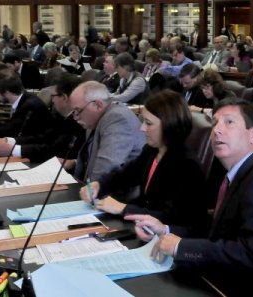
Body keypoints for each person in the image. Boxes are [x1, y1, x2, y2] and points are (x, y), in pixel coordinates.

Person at [126, 97, 253, 297]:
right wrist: (165, 229)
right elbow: (218, 231)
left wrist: (181, 247)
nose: (216, 130)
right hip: (223, 277)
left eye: (229, 122)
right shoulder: (239, 173)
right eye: (215, 122)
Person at [81, 90, 207, 230]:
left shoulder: (187, 166)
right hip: (143, 228)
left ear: (169, 125)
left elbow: (173, 217)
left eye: (148, 123)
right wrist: (99, 185)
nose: (142, 128)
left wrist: (124, 208)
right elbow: (124, 176)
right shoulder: (151, 150)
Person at [0, 73, 86, 163]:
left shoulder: (78, 122)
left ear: (64, 98)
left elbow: (53, 149)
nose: (52, 100)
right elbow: (43, 138)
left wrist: (13, 150)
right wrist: (9, 141)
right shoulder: (62, 117)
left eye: (53, 96)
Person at [69, 81, 146, 190]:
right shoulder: (96, 119)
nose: (75, 117)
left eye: (78, 110)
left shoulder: (117, 118)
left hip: (118, 197)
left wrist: (88, 193)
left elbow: (106, 168)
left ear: (98, 105)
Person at [0, 71, 53, 138]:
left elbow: (12, 130)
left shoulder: (29, 106)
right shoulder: (23, 99)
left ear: (7, 93)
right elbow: (8, 126)